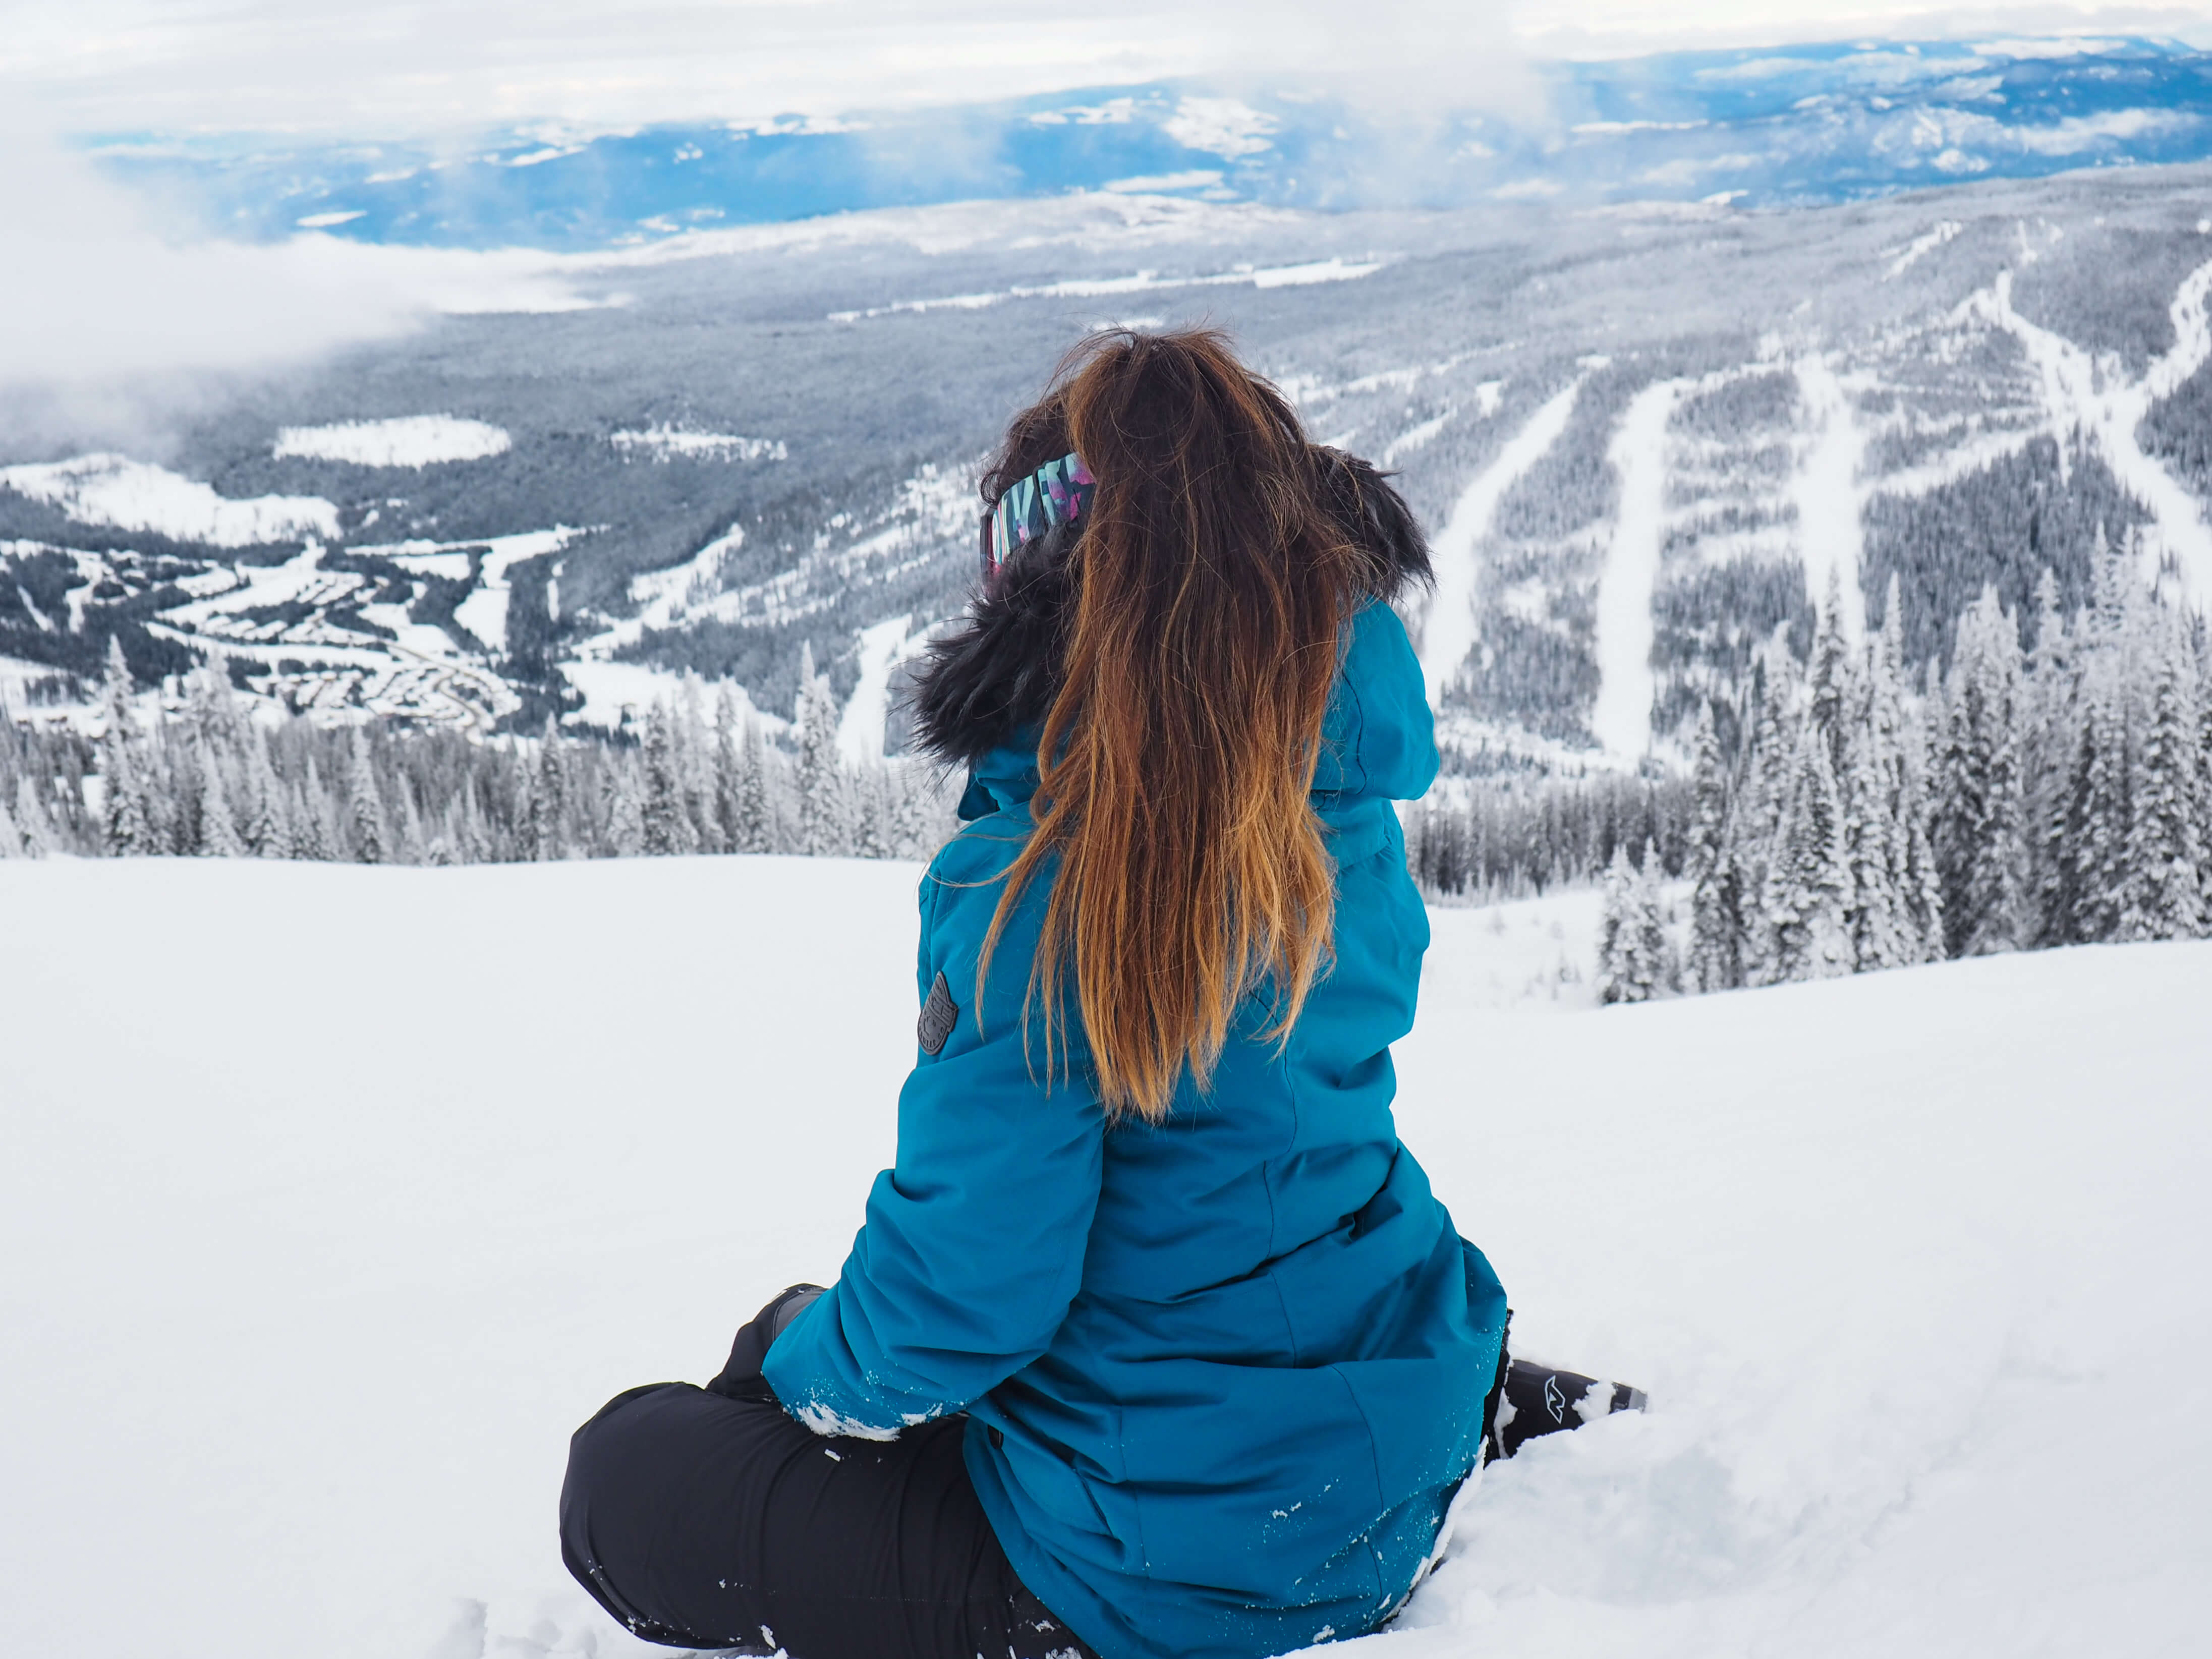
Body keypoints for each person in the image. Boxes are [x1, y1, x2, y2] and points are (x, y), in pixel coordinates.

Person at [559, 329, 1640, 1659]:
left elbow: (962, 1308)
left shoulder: (1036, 889)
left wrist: (793, 1373)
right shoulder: (1334, 810)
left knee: (621, 1473)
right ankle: (1446, 1416)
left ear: (1039, 603)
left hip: (1175, 1563)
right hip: (1394, 1386)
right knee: (822, 1329)